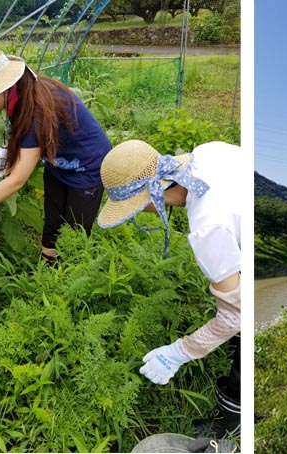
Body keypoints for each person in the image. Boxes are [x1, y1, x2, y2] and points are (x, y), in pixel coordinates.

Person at [95, 139, 242, 435]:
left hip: (238, 252)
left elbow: (237, 315)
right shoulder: (208, 150)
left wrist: (180, 351)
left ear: (150, 197)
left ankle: (233, 422)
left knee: (239, 327)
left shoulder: (209, 228)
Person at [0, 40, 112, 265]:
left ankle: (73, 279)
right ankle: (47, 271)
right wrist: (9, 155)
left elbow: (16, 181)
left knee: (75, 230)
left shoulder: (35, 108)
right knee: (52, 221)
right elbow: (26, 139)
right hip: (58, 162)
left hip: (88, 165)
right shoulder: (20, 95)